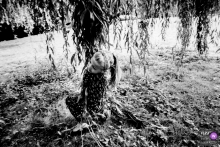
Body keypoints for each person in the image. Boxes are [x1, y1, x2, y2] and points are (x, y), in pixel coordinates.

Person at [65, 50, 120, 125]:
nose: (90, 67)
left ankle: (87, 122)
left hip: (95, 103)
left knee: (92, 113)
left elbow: (98, 100)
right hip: (87, 97)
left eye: (94, 67)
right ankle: (82, 120)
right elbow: (84, 84)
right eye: (91, 63)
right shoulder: (88, 70)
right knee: (69, 99)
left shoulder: (102, 80)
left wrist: (89, 111)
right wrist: (81, 94)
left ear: (102, 71)